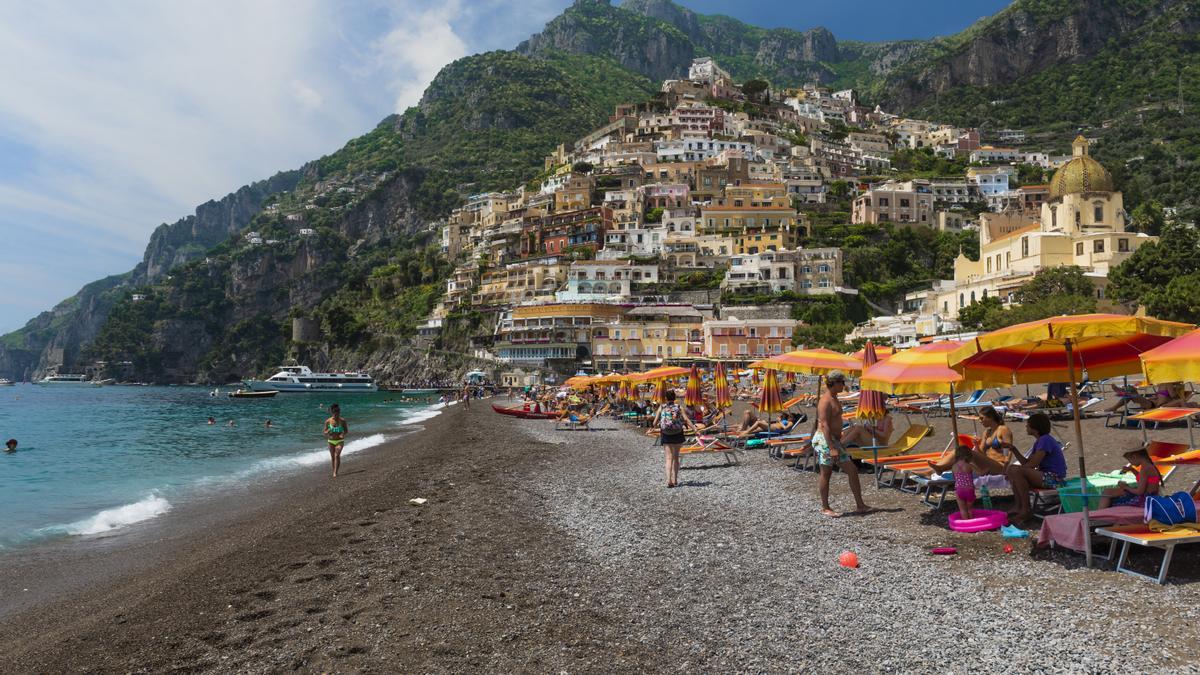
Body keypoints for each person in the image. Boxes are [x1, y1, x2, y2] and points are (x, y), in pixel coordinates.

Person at [814, 371, 873, 517]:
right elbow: (825, 425)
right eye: (842, 382)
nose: (844, 385)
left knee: (852, 470)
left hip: (833, 440)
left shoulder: (834, 398)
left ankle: (860, 505)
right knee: (826, 473)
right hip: (825, 440)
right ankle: (825, 507)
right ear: (834, 383)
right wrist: (832, 447)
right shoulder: (826, 401)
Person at [1002, 412, 1068, 522]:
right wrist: (1013, 449)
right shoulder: (1040, 441)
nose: (1026, 426)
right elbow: (1027, 463)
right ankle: (1019, 507)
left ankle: (1026, 510)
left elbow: (1033, 464)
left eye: (1028, 424)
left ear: (1035, 427)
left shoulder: (1045, 440)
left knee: (1014, 470)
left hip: (1055, 479)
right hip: (1047, 477)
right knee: (1013, 470)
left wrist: (1014, 471)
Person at [928, 406, 1012, 475]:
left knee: (965, 451)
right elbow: (981, 453)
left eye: (982, 418)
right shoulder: (987, 432)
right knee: (960, 450)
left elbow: (1009, 452)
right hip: (987, 464)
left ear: (991, 417)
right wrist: (976, 446)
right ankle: (933, 470)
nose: (980, 421)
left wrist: (1005, 471)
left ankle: (937, 469)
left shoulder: (1003, 429)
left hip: (1000, 466)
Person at [654, 390, 698, 488]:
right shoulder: (679, 407)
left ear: (666, 398)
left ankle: (669, 480)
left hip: (666, 433)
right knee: (676, 457)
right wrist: (695, 430)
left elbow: (654, 422)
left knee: (668, 458)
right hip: (677, 433)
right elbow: (686, 419)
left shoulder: (662, 407)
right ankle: (675, 480)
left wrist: (655, 425)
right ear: (675, 398)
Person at [951, 444, 978, 520]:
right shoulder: (969, 465)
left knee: (963, 510)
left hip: (959, 490)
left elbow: (954, 478)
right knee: (969, 509)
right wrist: (987, 470)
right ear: (968, 455)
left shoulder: (954, 466)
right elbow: (980, 473)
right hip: (969, 490)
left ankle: (966, 524)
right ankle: (972, 523)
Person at [324, 403, 349, 478]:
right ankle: (334, 470)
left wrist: (343, 434)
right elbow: (324, 432)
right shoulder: (328, 421)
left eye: (338, 412)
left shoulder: (342, 420)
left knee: (337, 455)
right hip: (331, 441)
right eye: (335, 412)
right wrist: (327, 431)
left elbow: (346, 431)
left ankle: (335, 472)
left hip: (339, 441)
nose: (336, 413)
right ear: (332, 412)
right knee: (332, 457)